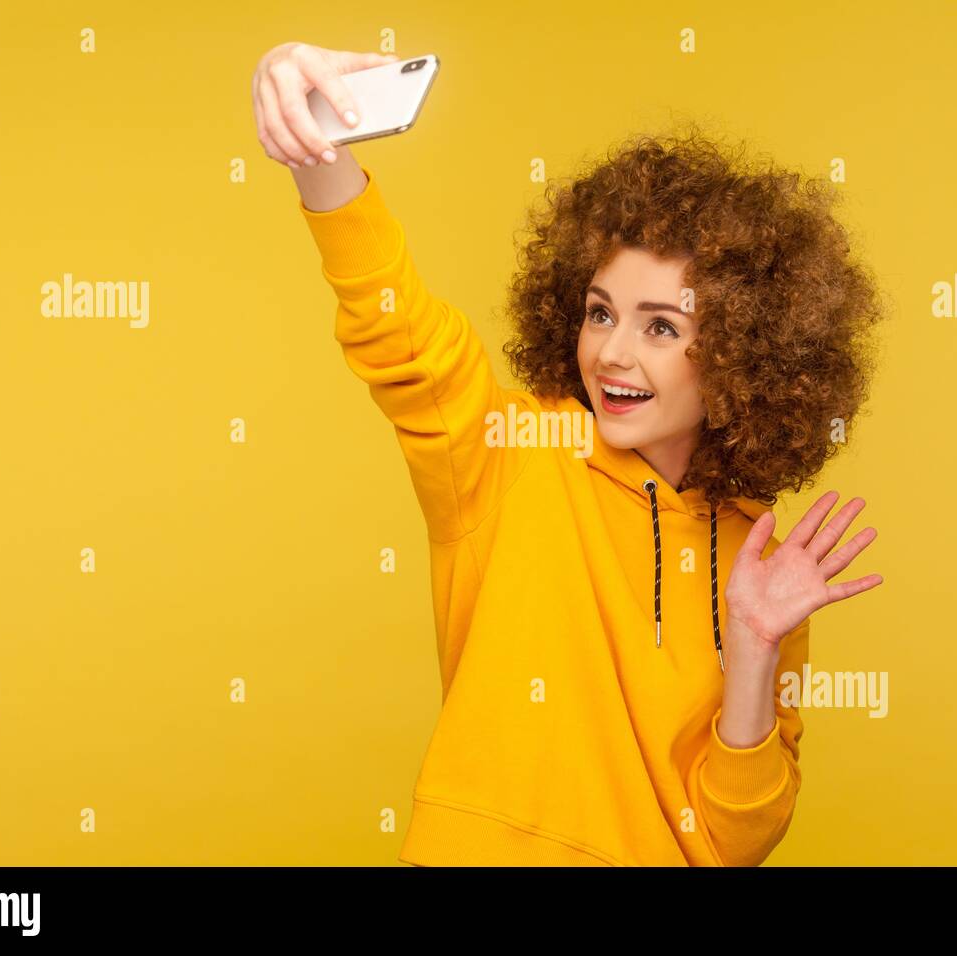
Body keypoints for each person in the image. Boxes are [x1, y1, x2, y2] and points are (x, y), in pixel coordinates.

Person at [252, 43, 888, 866]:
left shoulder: (761, 559)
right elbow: (400, 335)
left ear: (740, 351)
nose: (613, 354)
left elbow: (735, 840)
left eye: (661, 326)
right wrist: (318, 154)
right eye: (599, 313)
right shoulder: (510, 456)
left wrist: (758, 644)